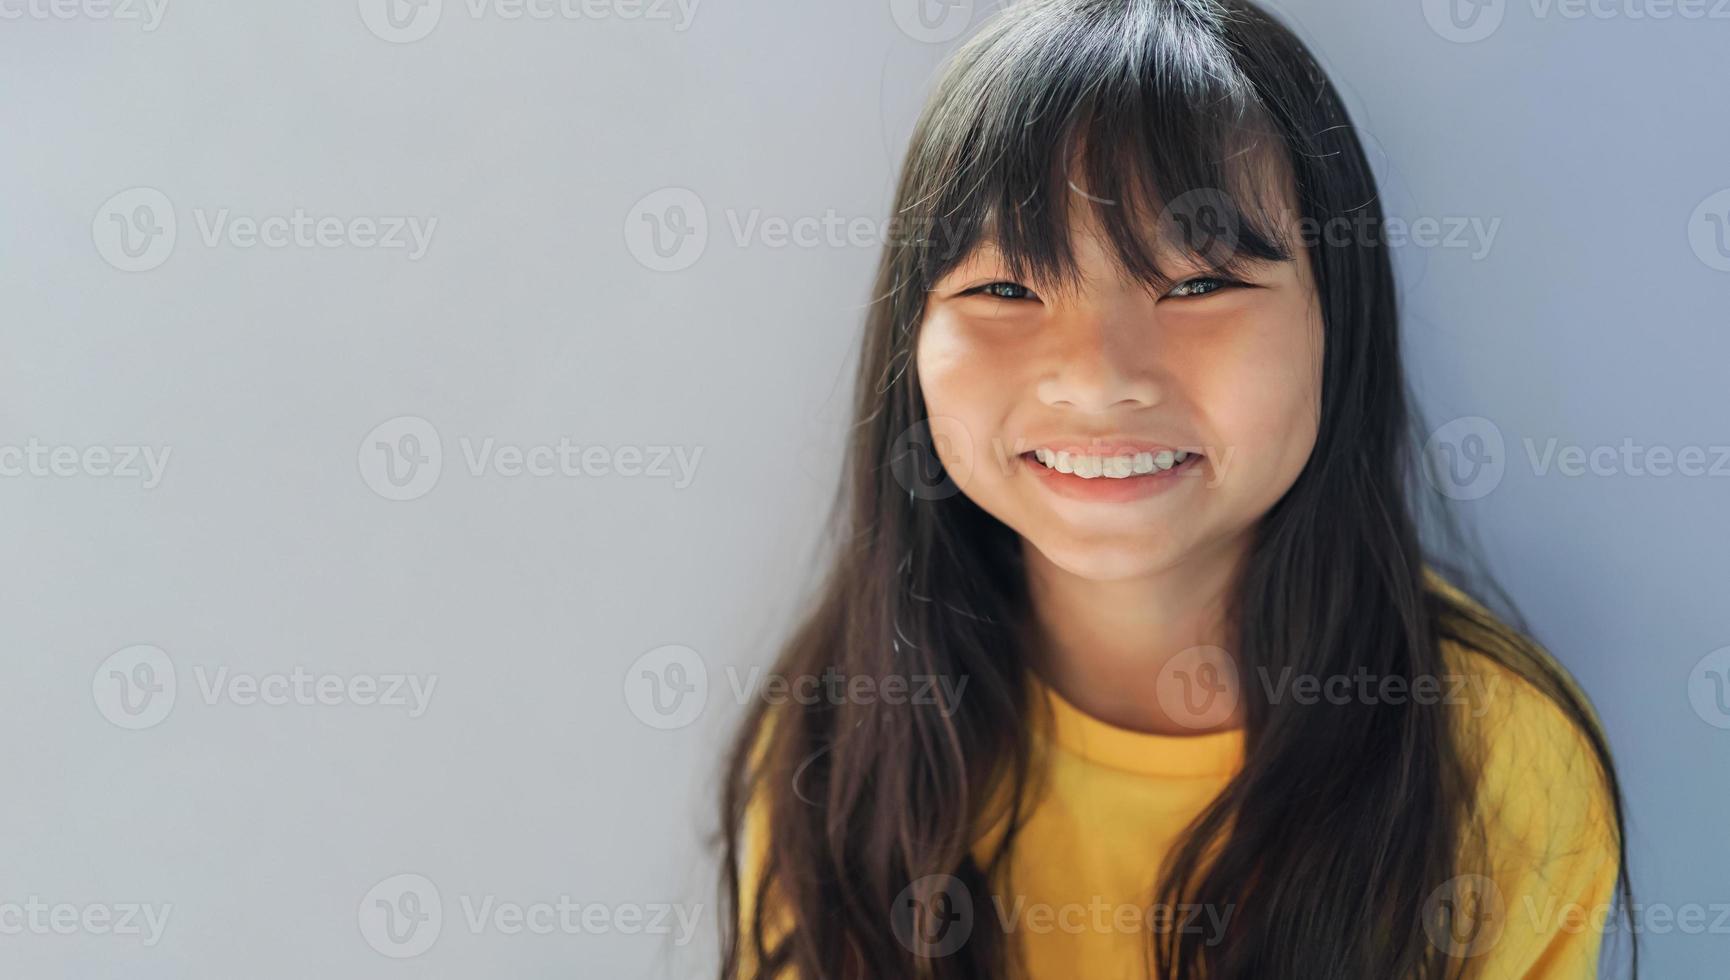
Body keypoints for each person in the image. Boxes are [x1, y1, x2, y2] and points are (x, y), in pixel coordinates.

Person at [715, 1, 1634, 976]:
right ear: (913, 340)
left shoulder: (1493, 761)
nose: (1100, 374)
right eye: (1006, 289)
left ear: (1338, 319)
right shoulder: (837, 738)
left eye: (1197, 285)